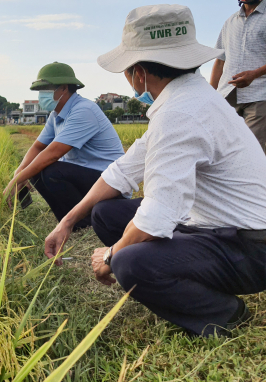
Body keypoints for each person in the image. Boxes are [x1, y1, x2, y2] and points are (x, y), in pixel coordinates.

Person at [44, 4, 266, 337]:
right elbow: (121, 172)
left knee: (130, 263)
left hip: (249, 247)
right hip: (212, 223)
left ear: (139, 74)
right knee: (106, 213)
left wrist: (111, 255)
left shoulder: (181, 113)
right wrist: (68, 221)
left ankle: (225, 313)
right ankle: (176, 281)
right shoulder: (187, 98)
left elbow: (156, 217)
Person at [3, 62, 124, 230]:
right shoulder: (56, 115)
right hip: (85, 176)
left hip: (108, 182)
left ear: (64, 88)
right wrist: (19, 175)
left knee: (50, 170)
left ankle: (83, 223)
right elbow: (38, 147)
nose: (41, 95)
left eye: (46, 89)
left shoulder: (83, 110)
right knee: (35, 170)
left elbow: (52, 154)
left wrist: (17, 179)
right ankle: (67, 220)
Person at [210, 0, 266, 151]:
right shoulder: (230, 22)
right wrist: (209, 95)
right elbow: (220, 62)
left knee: (253, 150)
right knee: (224, 150)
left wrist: (254, 74)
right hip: (227, 97)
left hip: (259, 96)